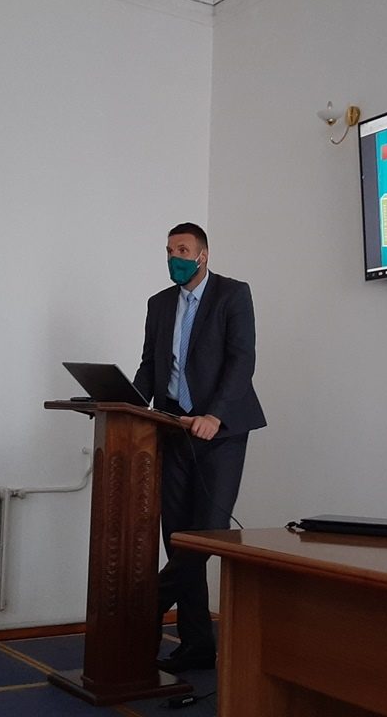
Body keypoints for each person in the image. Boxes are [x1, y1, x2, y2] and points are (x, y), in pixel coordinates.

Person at [133, 222, 266, 673]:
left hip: (220, 433)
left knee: (207, 532)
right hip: (173, 428)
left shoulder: (233, 294)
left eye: (183, 250)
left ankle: (149, 600)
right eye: (170, 250)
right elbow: (150, 366)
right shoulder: (159, 304)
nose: (175, 257)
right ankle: (196, 646)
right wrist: (126, 405)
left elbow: (242, 360)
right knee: (178, 537)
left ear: (203, 255)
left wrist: (216, 415)